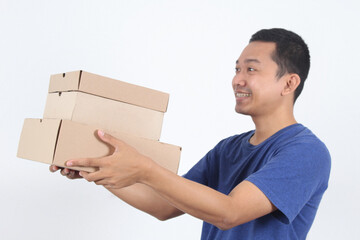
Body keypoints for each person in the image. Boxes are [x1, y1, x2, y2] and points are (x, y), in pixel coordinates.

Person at [50, 28, 331, 240]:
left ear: (289, 83)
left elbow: (229, 212)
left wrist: (144, 169)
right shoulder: (228, 149)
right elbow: (163, 206)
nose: (237, 79)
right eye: (236, 69)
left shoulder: (306, 152)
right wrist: (98, 168)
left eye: (251, 69)